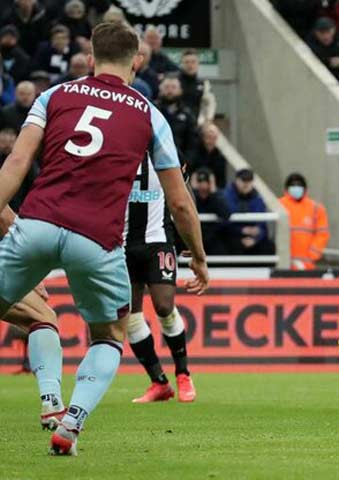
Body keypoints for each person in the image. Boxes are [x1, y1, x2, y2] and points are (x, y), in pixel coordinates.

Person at [0, 21, 208, 455]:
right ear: (137, 60)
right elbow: (181, 202)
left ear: (91, 59)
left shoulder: (53, 96)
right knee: (109, 334)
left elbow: (17, 164)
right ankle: (70, 425)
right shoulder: (150, 113)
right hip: (97, 240)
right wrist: (199, 256)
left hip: (36, 224)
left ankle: (55, 405)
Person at [124, 151, 200, 405]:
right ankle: (158, 381)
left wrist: (191, 235)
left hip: (158, 241)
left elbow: (184, 194)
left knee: (164, 306)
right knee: (129, 315)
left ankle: (183, 373)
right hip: (122, 244)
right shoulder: (115, 149)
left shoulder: (166, 152)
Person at [278, 172, 330, 270]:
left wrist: (312, 254)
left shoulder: (316, 208)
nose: (296, 188)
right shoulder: (279, 205)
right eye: (293, 185)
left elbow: (322, 234)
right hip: (284, 264)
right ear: (287, 188)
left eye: (299, 185)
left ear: (305, 188)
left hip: (307, 265)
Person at [223, 169, 274, 256]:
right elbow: (224, 222)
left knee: (268, 247)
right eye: (243, 180)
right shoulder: (226, 196)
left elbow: (263, 226)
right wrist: (242, 230)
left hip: (253, 237)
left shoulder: (258, 198)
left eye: (249, 181)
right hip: (233, 235)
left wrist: (256, 237)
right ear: (237, 180)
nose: (246, 184)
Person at [156, 75, 198, 163]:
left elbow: (192, 144)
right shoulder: (153, 111)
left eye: (174, 87)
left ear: (180, 90)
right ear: (160, 89)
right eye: (167, 87)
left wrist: (186, 162)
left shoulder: (187, 115)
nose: (170, 91)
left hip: (179, 163)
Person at [191, 168, 231, 255]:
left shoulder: (217, 196)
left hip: (213, 238)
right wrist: (192, 190)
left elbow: (226, 214)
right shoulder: (191, 197)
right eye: (199, 181)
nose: (203, 185)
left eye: (206, 181)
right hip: (193, 238)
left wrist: (213, 193)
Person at [189, 123, 227, 188]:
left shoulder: (220, 158)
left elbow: (221, 182)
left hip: (212, 191)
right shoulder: (194, 153)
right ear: (203, 137)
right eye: (208, 137)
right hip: (194, 188)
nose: (210, 141)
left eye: (214, 138)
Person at [178, 49, 205, 120]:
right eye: (187, 62)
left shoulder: (202, 84)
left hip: (194, 124)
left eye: (193, 62)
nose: (190, 65)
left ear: (198, 64)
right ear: (181, 64)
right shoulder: (175, 82)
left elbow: (207, 105)